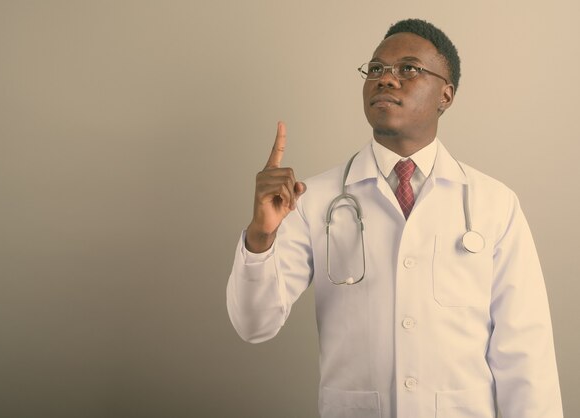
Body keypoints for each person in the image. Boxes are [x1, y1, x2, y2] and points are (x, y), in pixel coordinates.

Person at [226, 18, 563, 418]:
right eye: (376, 70)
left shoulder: (495, 204)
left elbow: (525, 353)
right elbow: (254, 324)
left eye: (408, 69)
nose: (386, 80)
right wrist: (261, 236)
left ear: (446, 94)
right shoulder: (312, 200)